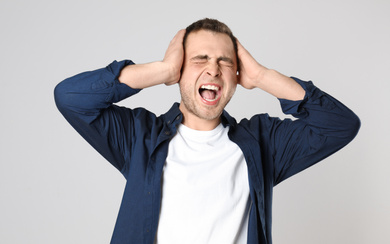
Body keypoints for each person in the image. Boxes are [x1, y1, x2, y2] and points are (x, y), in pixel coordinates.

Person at [54, 18, 360, 244]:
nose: (213, 69)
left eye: (224, 61)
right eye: (200, 58)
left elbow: (341, 126)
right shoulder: (139, 138)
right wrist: (162, 70)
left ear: (237, 74)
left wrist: (263, 77)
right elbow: (70, 98)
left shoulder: (263, 143)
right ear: (181, 69)